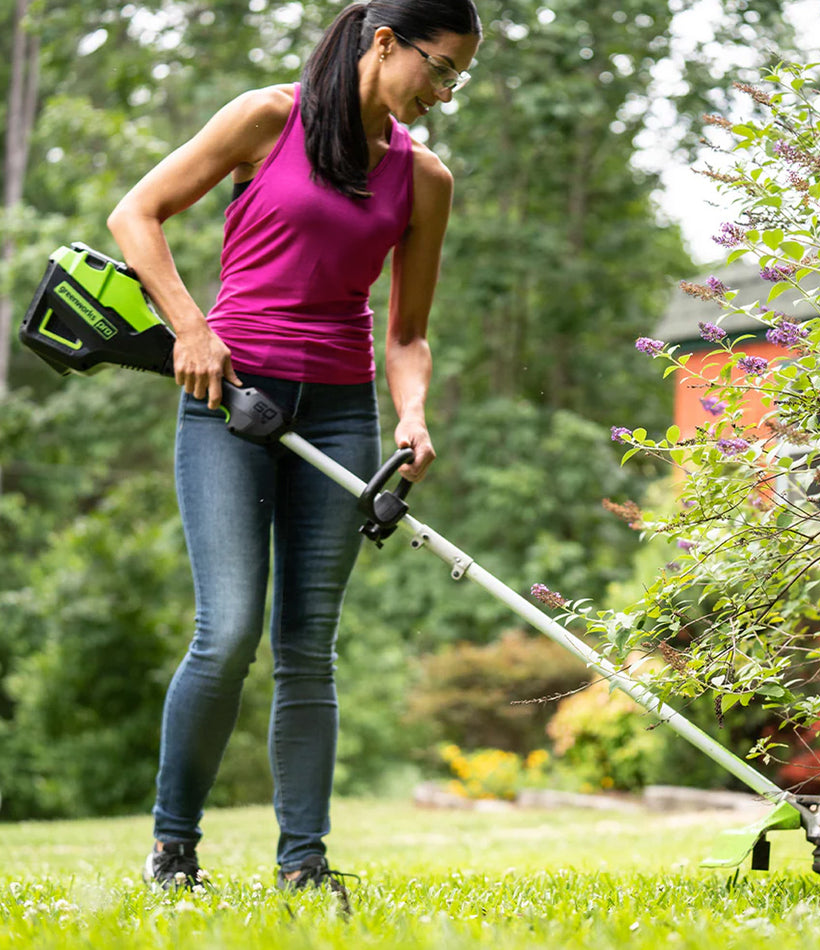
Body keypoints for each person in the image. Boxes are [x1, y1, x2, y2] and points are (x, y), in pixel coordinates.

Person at [107, 0, 481, 899]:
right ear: (384, 43)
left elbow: (407, 333)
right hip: (228, 402)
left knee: (309, 647)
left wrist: (414, 416)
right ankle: (172, 849)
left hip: (341, 415)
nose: (443, 92)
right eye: (438, 69)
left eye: (458, 79)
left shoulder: (424, 178)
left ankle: (303, 864)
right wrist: (190, 328)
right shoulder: (265, 117)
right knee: (228, 630)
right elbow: (136, 214)